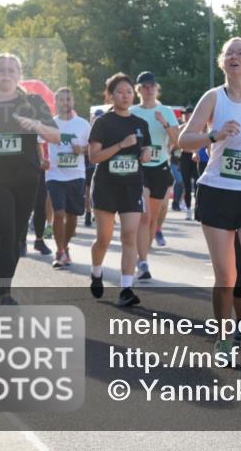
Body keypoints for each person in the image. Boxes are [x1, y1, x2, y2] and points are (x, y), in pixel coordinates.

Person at [179, 37, 241, 357]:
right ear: (222, 62)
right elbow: (184, 141)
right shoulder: (213, 97)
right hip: (218, 192)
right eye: (230, 52)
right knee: (226, 276)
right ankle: (223, 338)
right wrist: (213, 135)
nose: (235, 56)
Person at [0, 53, 60, 303]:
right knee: (5, 235)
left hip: (25, 176)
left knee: (16, 238)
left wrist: (36, 125)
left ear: (19, 74)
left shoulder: (33, 102)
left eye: (11, 70)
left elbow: (55, 136)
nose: (5, 74)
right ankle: (4, 292)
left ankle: (2, 287)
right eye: (0, 69)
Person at [88, 72, 152, 307]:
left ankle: (126, 288)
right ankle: (96, 272)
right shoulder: (102, 123)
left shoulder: (141, 124)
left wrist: (146, 152)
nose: (125, 96)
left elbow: (146, 150)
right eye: (120, 92)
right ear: (110, 95)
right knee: (103, 238)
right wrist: (121, 145)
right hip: (106, 186)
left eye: (128, 92)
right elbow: (94, 157)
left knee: (129, 235)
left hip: (132, 186)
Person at [130, 72, 180, 278]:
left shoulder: (165, 111)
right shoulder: (132, 112)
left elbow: (178, 141)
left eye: (152, 86)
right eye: (144, 86)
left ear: (157, 88)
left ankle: (143, 255)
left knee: (151, 220)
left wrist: (165, 124)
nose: (148, 89)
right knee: (144, 217)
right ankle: (143, 263)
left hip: (160, 167)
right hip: (139, 168)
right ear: (138, 90)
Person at [45, 87, 90, 268]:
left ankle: (65, 246)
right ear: (55, 102)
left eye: (68, 99)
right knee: (59, 213)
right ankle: (59, 251)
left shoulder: (83, 124)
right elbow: (38, 143)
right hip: (55, 175)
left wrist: (83, 149)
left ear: (73, 102)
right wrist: (41, 160)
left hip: (76, 175)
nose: (66, 102)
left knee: (72, 216)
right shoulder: (50, 124)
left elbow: (93, 146)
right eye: (62, 99)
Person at [179, 106, 198, 221]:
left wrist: (196, 152)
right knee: (186, 185)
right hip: (185, 157)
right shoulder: (181, 128)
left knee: (197, 184)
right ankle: (188, 210)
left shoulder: (198, 127)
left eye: (187, 113)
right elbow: (175, 142)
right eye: (184, 114)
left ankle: (197, 209)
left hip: (195, 158)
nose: (185, 116)